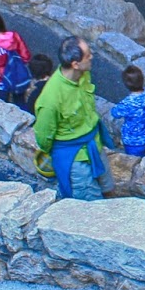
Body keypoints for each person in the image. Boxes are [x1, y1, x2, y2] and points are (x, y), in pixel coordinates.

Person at [32, 36, 115, 200]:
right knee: (90, 201)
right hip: (75, 157)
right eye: (88, 55)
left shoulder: (83, 74)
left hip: (94, 144)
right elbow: (43, 137)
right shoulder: (51, 99)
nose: (92, 57)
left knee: (108, 187)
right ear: (75, 64)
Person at [0, 11, 33, 105]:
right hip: (17, 76)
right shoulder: (14, 36)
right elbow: (25, 56)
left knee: (1, 104)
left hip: (1, 82)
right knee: (20, 102)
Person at [108, 65, 145, 156]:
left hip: (134, 142)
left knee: (134, 160)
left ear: (126, 84)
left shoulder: (127, 103)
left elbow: (115, 113)